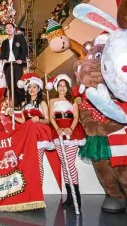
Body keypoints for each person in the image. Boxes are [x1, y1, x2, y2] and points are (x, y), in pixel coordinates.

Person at [47, 74, 85, 209]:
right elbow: (51, 117)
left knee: (70, 164)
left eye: (65, 86)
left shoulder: (73, 100)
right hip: (58, 132)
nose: (62, 88)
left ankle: (77, 196)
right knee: (64, 164)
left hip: (71, 132)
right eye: (60, 86)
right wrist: (57, 129)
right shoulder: (52, 101)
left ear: (67, 87)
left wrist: (70, 128)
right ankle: (70, 197)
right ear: (57, 87)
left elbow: (76, 116)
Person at [16, 73, 53, 185]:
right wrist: (12, 115)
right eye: (30, 87)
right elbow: (23, 121)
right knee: (28, 162)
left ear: (38, 89)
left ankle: (39, 190)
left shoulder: (42, 102)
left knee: (38, 162)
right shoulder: (24, 103)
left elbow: (47, 120)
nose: (32, 89)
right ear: (27, 89)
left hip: (38, 134)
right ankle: (30, 189)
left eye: (34, 87)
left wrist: (39, 120)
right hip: (27, 134)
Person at [0, 23, 28, 108]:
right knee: (10, 85)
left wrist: (21, 59)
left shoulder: (20, 38)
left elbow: (24, 50)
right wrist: (3, 59)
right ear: (5, 30)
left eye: (10, 27)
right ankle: (15, 104)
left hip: (17, 65)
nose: (8, 29)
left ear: (14, 29)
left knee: (19, 84)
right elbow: (2, 55)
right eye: (7, 28)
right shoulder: (4, 42)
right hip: (8, 66)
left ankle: (22, 103)